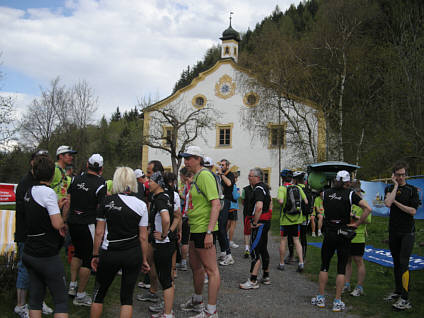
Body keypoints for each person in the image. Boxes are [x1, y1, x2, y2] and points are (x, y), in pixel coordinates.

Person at [90, 167, 150, 318]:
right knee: (127, 298)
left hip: (110, 251)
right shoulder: (141, 205)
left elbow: (99, 232)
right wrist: (144, 259)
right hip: (132, 253)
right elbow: (143, 237)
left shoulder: (106, 201)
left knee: (99, 294)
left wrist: (95, 254)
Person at [311, 170, 371, 312]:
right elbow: (368, 209)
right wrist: (357, 224)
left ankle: (320, 298)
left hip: (329, 233)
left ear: (336, 180)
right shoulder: (350, 194)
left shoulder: (325, 193)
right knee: (341, 268)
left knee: (324, 266)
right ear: (347, 182)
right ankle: (337, 301)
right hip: (343, 233)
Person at [22, 155, 68, 318]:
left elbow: (39, 212)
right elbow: (57, 224)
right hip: (46, 253)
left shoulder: (30, 191)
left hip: (30, 250)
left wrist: (56, 206)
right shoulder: (48, 193)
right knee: (61, 301)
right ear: (52, 175)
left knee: (35, 298)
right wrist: (64, 215)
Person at [179, 146, 221, 318]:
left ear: (198, 159)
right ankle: (197, 301)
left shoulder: (204, 175)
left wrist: (209, 232)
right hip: (195, 227)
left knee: (211, 270)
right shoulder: (196, 177)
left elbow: (216, 204)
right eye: (184, 158)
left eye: (188, 158)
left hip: (204, 229)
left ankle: (211, 312)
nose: (185, 161)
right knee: (195, 266)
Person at [14, 150, 54, 318]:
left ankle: (37, 301)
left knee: (40, 270)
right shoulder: (25, 183)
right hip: (26, 234)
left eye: (45, 159)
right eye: (40, 159)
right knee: (25, 269)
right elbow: (25, 209)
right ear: (32, 162)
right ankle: (20, 305)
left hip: (40, 235)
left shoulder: (41, 183)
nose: (42, 162)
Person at [64, 154, 107, 306]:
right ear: (101, 169)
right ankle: (80, 295)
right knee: (87, 259)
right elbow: (101, 207)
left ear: (87, 165)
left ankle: (73, 285)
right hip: (87, 223)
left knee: (77, 252)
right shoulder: (101, 183)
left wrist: (65, 220)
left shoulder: (76, 179)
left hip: (73, 221)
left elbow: (68, 201)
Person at [383, 161, 420, 310]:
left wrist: (396, 203)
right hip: (393, 231)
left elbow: (412, 211)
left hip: (407, 232)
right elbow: (387, 203)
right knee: (396, 263)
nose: (401, 177)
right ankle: (398, 291)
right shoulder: (390, 188)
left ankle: (405, 298)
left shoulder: (412, 190)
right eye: (398, 175)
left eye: (403, 175)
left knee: (404, 263)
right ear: (394, 175)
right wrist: (396, 186)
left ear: (406, 174)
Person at [147, 171, 176, 318]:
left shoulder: (159, 199)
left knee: (165, 279)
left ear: (158, 183)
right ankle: (167, 309)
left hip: (163, 243)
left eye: (150, 180)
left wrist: (164, 234)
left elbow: (165, 219)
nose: (148, 183)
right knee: (166, 278)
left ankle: (168, 314)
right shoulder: (166, 196)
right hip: (166, 243)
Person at [137, 160, 164, 303]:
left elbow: (174, 215)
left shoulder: (164, 194)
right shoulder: (153, 192)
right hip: (153, 231)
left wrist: (167, 233)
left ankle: (166, 304)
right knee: (149, 260)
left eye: (149, 172)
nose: (147, 176)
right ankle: (153, 291)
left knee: (165, 270)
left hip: (163, 238)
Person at [240, 168, 272, 289]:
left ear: (257, 177)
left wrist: (254, 222)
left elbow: (259, 207)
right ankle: (266, 275)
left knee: (255, 250)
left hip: (260, 223)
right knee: (263, 248)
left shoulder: (258, 189)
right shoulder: (265, 188)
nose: (248, 178)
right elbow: (270, 205)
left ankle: (253, 280)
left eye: (250, 176)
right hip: (265, 221)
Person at [344, 180, 371, 297]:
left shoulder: (364, 203)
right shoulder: (351, 202)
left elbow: (368, 220)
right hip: (347, 235)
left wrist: (354, 216)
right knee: (347, 261)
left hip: (358, 237)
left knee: (358, 261)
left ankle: (359, 287)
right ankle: (346, 283)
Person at [277, 169, 307, 272]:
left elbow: (280, 201)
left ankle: (281, 263)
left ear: (282, 178)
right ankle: (301, 262)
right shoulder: (298, 188)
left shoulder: (282, 188)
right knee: (296, 240)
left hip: (285, 219)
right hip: (297, 219)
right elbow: (306, 201)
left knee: (283, 240)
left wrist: (283, 202)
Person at [216, 159, 235, 266]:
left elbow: (229, 183)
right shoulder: (221, 176)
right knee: (219, 228)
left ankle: (229, 255)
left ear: (227, 166)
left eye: (223, 165)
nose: (221, 166)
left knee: (222, 228)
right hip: (221, 201)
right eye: (220, 165)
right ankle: (223, 252)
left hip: (226, 202)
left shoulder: (230, 174)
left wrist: (221, 174)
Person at [292, 171, 312, 260]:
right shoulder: (308, 190)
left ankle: (293, 255)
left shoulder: (295, 189)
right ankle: (303, 255)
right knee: (303, 237)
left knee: (294, 237)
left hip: (296, 217)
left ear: (296, 180)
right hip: (306, 217)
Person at [241, 180, 255, 258]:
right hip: (247, 213)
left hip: (256, 214)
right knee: (247, 231)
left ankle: (253, 248)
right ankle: (247, 249)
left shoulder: (258, 189)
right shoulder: (245, 189)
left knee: (254, 231)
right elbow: (242, 201)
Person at [227, 174, 240, 249]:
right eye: (236, 178)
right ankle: (230, 241)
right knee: (232, 225)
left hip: (228, 206)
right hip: (233, 207)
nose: (236, 179)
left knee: (228, 224)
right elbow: (235, 196)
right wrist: (238, 192)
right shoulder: (234, 186)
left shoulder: (228, 185)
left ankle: (224, 238)